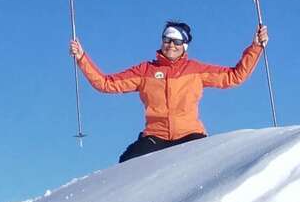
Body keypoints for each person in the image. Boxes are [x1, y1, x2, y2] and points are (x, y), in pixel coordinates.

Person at [69, 21, 269, 163]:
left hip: (190, 135)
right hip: (156, 137)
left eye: (176, 41)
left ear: (184, 46)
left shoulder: (196, 70)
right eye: (167, 40)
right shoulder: (145, 71)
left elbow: (235, 76)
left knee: (208, 164)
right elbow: (105, 83)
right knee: (127, 162)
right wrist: (81, 57)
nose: (171, 45)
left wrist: (256, 47)